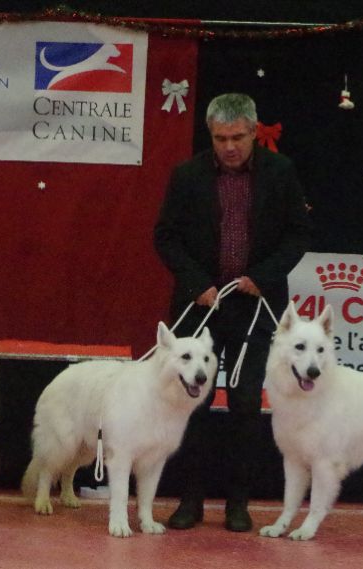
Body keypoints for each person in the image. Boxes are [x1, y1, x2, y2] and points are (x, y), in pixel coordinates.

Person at [153, 93, 311, 532]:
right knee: (191, 404)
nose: (229, 146)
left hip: (256, 308)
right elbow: (165, 236)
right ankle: (189, 502)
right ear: (211, 135)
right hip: (199, 308)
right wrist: (195, 283)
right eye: (221, 138)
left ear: (253, 132)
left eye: (238, 137)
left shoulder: (281, 172)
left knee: (244, 404)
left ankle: (237, 504)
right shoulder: (187, 175)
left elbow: (299, 233)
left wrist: (262, 275)